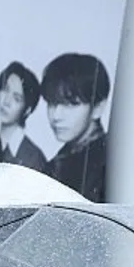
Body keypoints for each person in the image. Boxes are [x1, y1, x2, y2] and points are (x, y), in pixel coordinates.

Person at [40, 53, 110, 200]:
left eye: (70, 104)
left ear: (98, 107)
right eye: (52, 103)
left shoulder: (111, 161)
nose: (56, 116)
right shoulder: (56, 163)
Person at [0, 62, 47, 171]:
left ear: (27, 110)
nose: (6, 102)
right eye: (5, 90)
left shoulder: (34, 159)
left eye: (17, 98)